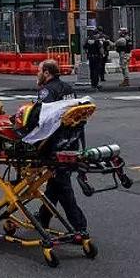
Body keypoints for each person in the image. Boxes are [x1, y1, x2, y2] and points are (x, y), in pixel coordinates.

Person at [26, 59, 86, 233]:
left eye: (39, 71)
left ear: (46, 73)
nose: (37, 74)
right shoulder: (68, 89)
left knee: (62, 185)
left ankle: (80, 226)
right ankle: (43, 218)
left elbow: (44, 119)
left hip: (54, 145)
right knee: (54, 183)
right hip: (71, 141)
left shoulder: (47, 91)